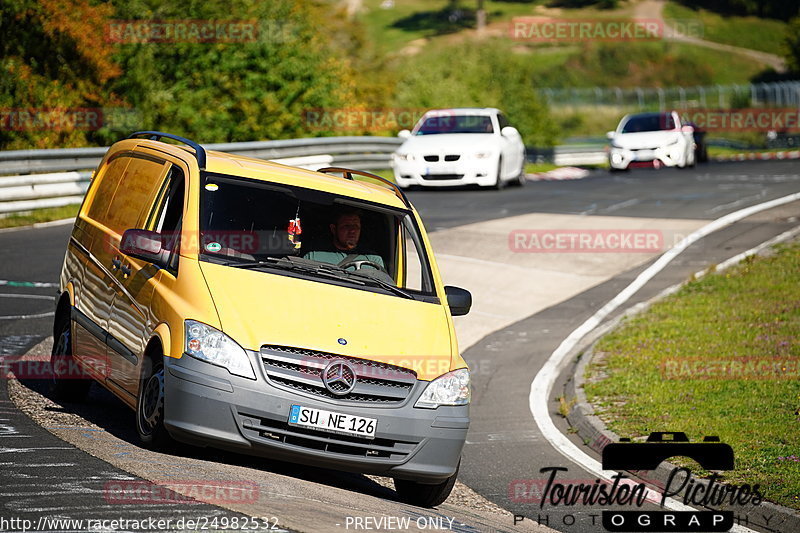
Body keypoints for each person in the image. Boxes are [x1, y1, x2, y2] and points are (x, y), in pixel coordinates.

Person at [303, 208, 385, 270]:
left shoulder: (373, 259)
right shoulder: (314, 255)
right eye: (347, 226)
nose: (352, 230)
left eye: (356, 226)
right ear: (334, 229)